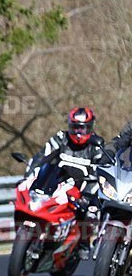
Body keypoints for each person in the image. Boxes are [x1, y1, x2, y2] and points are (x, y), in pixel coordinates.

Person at [28, 107, 108, 258]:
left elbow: (101, 172)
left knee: (91, 213)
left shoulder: (96, 145)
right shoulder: (60, 138)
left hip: (84, 188)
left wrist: (88, 196)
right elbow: (42, 156)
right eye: (75, 127)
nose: (78, 132)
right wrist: (31, 171)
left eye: (82, 128)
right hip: (57, 182)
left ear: (90, 128)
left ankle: (84, 243)